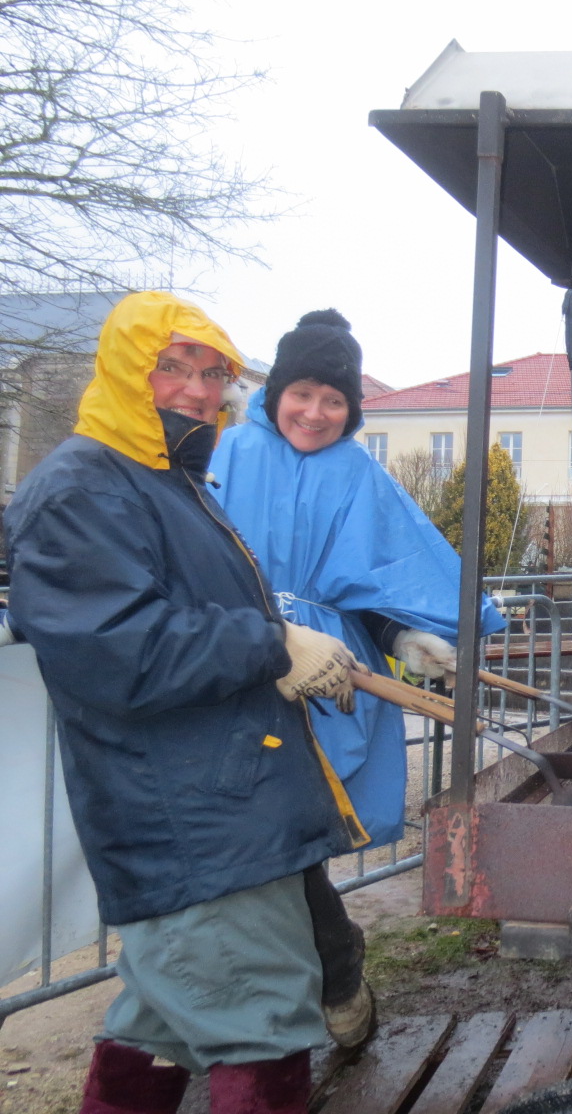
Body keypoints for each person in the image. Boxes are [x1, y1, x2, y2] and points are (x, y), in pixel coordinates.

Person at [4, 292, 363, 1114]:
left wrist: (286, 645)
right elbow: (116, 653)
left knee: (158, 1021)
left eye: (214, 373)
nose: (200, 391)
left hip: (221, 800)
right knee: (263, 1022)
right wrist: (271, 645)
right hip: (192, 821)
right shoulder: (82, 488)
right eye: (174, 367)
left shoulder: (167, 480)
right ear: (129, 369)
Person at [210, 309, 506, 1045]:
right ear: (276, 391)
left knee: (294, 834)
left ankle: (327, 982)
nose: (316, 412)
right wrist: (257, 641)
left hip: (326, 684)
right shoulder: (227, 455)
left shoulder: (357, 473)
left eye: (334, 400)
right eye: (302, 392)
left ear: (352, 409)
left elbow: (375, 580)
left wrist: (406, 635)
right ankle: (318, 980)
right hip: (233, 672)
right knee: (245, 835)